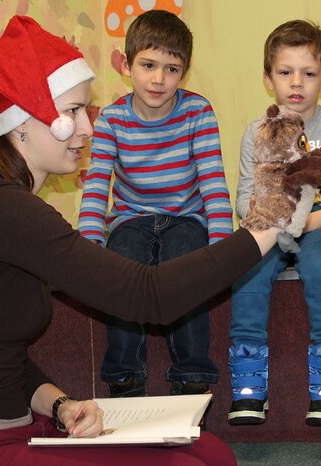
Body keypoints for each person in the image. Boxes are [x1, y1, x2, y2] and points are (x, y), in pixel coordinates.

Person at [0, 15, 280, 466]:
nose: (88, 129)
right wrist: (270, 225)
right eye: (72, 112)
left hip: (9, 425)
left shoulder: (4, 202)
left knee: (211, 452)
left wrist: (60, 404)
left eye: (84, 111)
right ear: (22, 124)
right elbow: (147, 296)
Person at [78, 10, 233, 398]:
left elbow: (213, 181)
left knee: (185, 269)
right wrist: (89, 245)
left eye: (171, 68)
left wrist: (221, 246)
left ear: (185, 73)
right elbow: (97, 185)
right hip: (131, 218)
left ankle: (192, 374)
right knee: (123, 269)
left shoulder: (197, 112)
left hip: (186, 218)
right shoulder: (112, 119)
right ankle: (125, 374)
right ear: (127, 64)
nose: (159, 79)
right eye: (148, 65)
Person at [227, 20, 321, 428]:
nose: (296, 83)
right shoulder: (257, 132)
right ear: (268, 78)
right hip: (271, 228)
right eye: (285, 72)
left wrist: (305, 223)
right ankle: (249, 381)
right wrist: (268, 217)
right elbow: (242, 199)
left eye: (309, 73)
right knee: (247, 271)